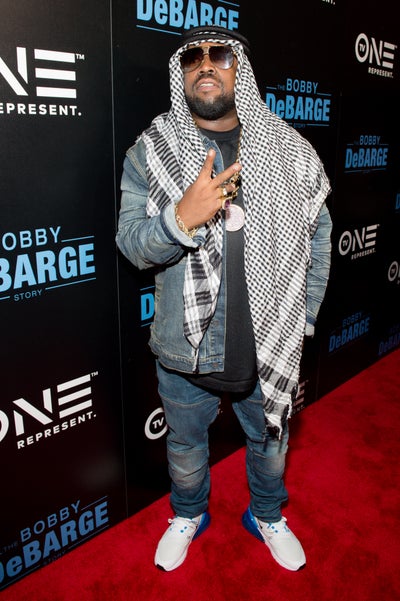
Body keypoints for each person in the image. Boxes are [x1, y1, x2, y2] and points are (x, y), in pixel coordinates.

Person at [116, 25, 332, 573]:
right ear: (181, 71)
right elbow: (132, 245)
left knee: (271, 447)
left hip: (269, 343)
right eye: (193, 56)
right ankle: (188, 513)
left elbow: (319, 236)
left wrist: (302, 319)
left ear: (243, 70)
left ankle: (267, 515)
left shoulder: (290, 150)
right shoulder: (152, 151)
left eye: (220, 55)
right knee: (186, 451)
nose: (206, 64)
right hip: (185, 349)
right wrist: (180, 219)